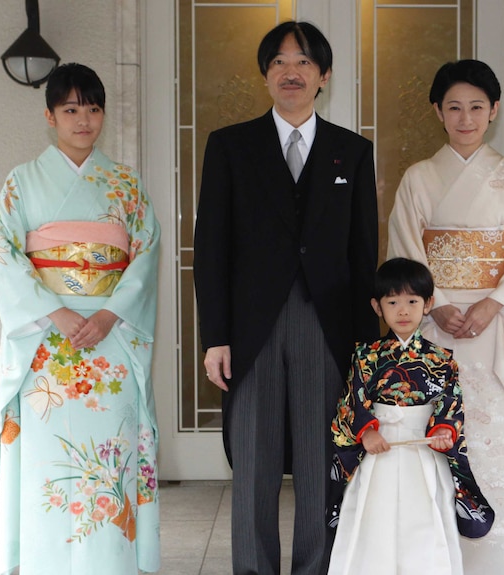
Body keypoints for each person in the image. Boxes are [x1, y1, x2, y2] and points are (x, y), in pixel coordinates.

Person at [193, 21, 379, 575]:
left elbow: (362, 256)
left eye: (302, 62)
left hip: (326, 328)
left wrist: (364, 352)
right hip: (252, 329)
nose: (290, 72)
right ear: (265, 75)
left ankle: (316, 568)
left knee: (323, 462)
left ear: (323, 75)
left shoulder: (353, 151)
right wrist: (215, 338)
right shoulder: (229, 147)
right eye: (278, 62)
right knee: (253, 462)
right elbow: (212, 251)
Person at [0, 63, 161, 575]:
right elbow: (5, 253)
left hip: (111, 341)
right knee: (49, 463)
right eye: (70, 110)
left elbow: (146, 255)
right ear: (50, 116)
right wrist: (56, 311)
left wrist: (110, 314)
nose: (82, 120)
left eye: (92, 109)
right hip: (47, 340)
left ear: (103, 114)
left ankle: (111, 562)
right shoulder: (20, 183)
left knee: (111, 458)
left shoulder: (126, 185)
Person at [386, 59, 504, 574]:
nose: (465, 117)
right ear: (437, 111)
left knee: (490, 456)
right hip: (436, 326)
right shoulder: (418, 179)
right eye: (454, 106)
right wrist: (439, 304)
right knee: (433, 448)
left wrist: (491, 303)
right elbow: (406, 255)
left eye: (477, 106)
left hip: (494, 326)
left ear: (494, 111)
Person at [327, 258, 493, 575]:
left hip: (424, 449)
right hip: (379, 449)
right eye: (392, 302)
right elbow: (352, 400)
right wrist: (366, 432)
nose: (403, 311)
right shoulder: (366, 354)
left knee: (426, 517)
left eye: (412, 301)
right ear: (377, 307)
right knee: (375, 515)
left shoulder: (442, 359)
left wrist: (445, 429)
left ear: (428, 304)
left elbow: (450, 402)